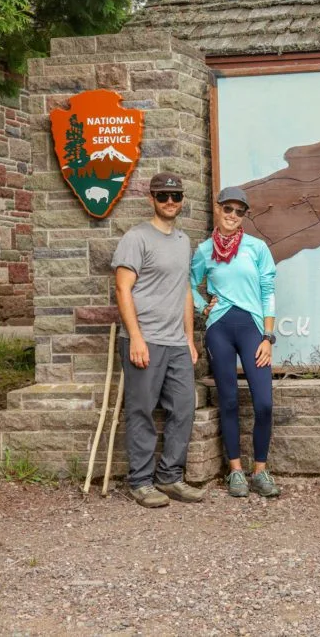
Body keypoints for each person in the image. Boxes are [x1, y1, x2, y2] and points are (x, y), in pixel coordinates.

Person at [111, 172, 205, 508]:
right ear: (151, 198)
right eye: (163, 196)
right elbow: (122, 288)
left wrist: (189, 339)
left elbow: (185, 293)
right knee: (141, 411)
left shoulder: (183, 241)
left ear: (182, 200)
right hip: (145, 339)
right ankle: (140, 482)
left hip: (177, 343)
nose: (169, 202)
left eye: (175, 196)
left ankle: (170, 477)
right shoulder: (136, 238)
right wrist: (135, 337)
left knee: (183, 408)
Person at [190, 186, 279, 498]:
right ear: (218, 209)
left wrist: (268, 337)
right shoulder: (204, 251)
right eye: (228, 209)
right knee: (228, 401)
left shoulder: (256, 248)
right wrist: (203, 306)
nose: (232, 215)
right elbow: (188, 282)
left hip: (253, 329)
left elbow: (268, 292)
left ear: (245, 216)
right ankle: (236, 471)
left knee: (264, 403)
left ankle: (261, 471)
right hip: (220, 329)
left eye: (239, 211)